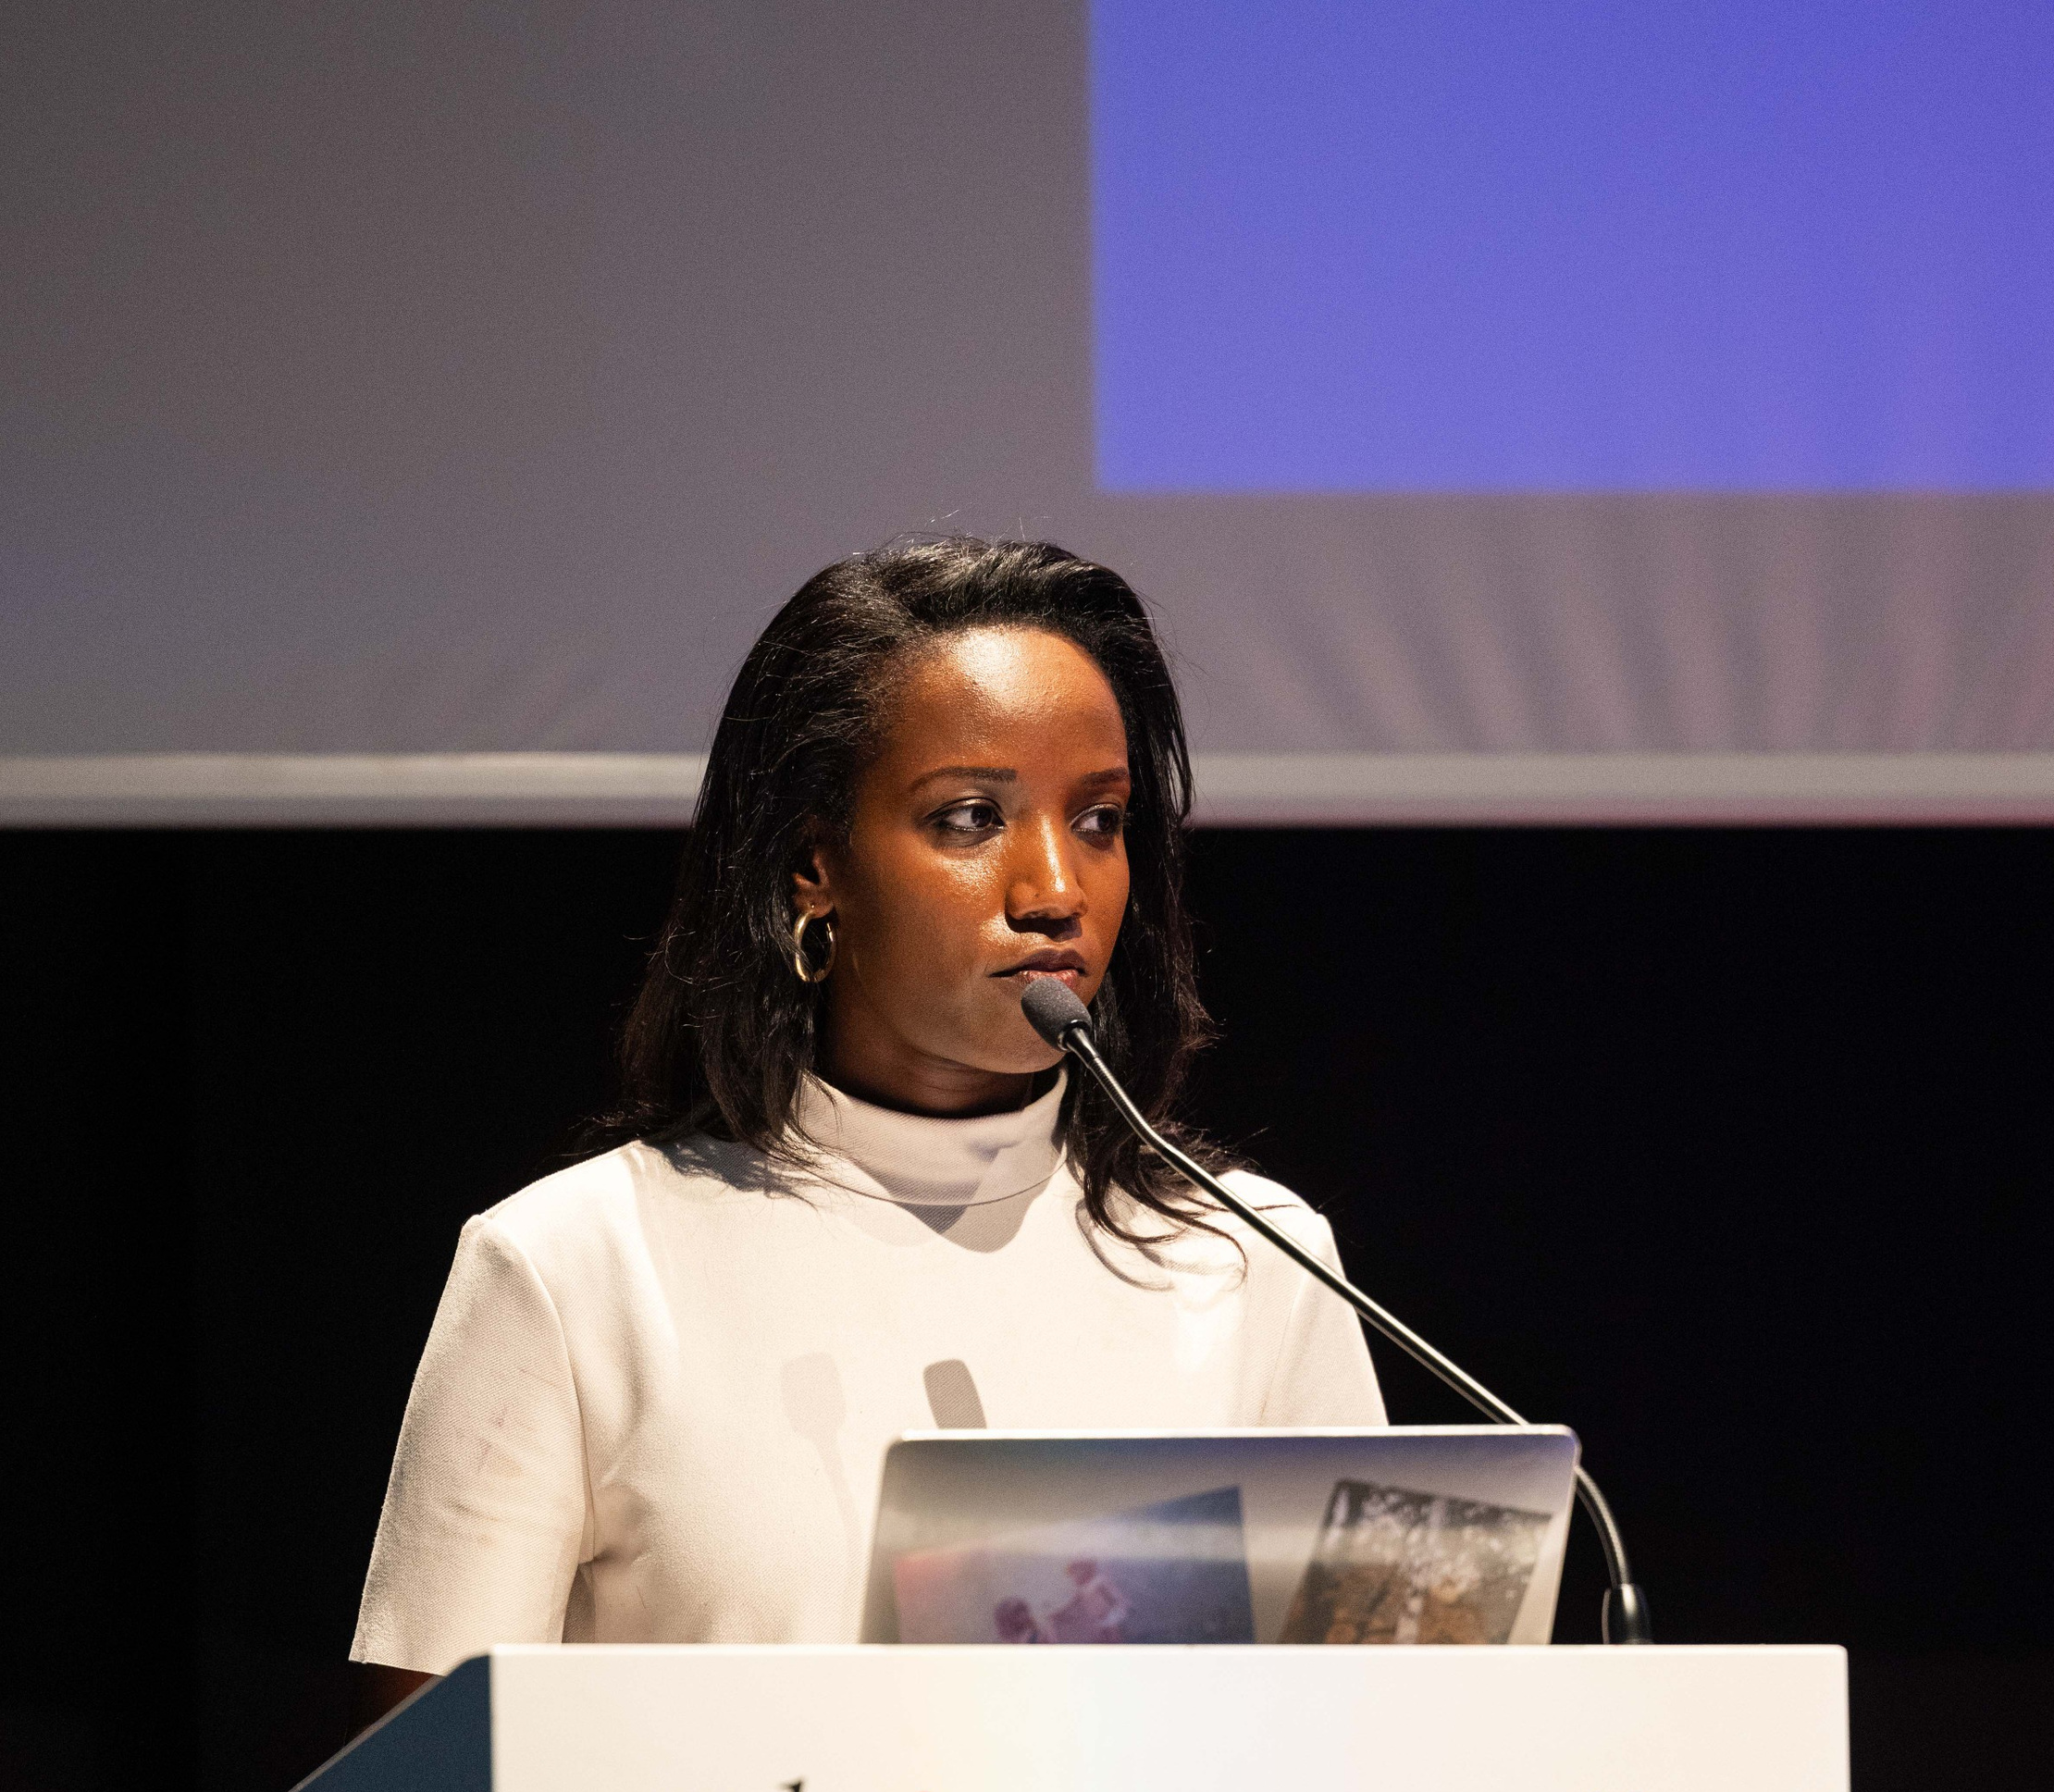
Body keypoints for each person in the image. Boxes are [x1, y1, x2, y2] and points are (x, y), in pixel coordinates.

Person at [348, 538, 1385, 1729]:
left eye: (1099, 820)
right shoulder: (579, 1268)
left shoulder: (1254, 1264)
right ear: (812, 866)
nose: (1055, 886)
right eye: (969, 817)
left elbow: (1370, 1765)